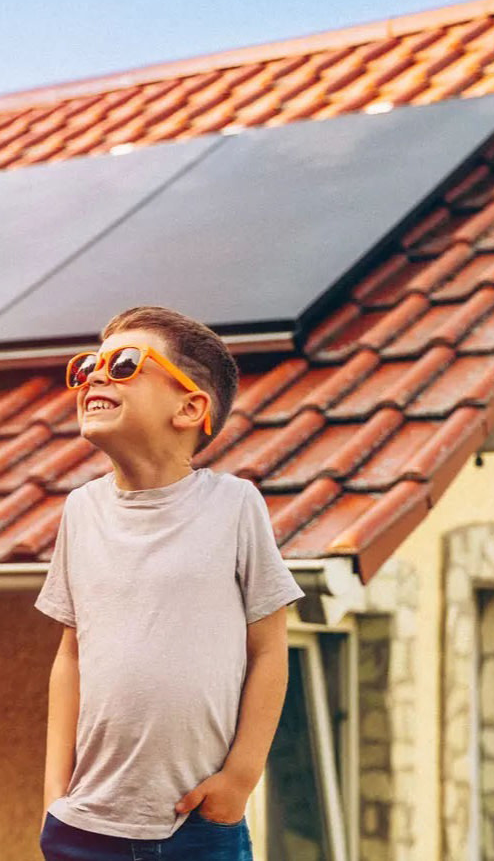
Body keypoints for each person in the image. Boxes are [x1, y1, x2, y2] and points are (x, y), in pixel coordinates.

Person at [35, 305, 305, 861]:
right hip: (83, 825)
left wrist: (240, 779)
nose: (94, 376)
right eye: (89, 365)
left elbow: (270, 649)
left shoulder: (235, 507)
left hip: (198, 825)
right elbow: (71, 657)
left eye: (125, 363)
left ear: (189, 407)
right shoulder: (80, 511)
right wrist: (54, 797)